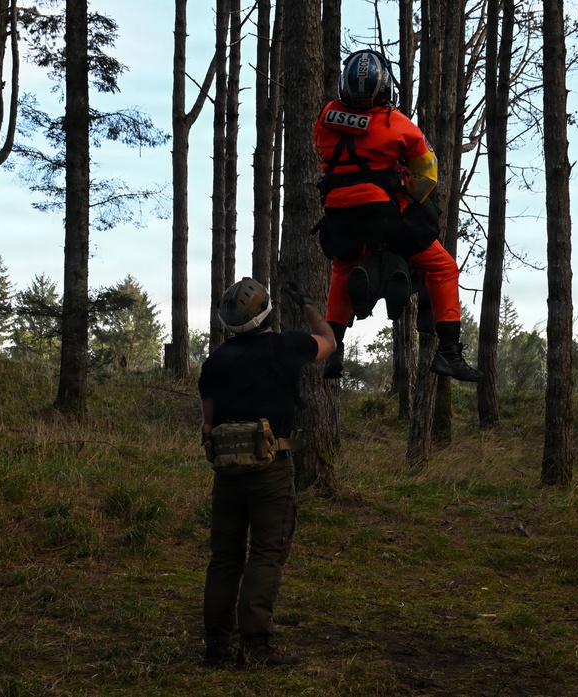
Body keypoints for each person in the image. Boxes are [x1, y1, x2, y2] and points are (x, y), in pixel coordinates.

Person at [313, 48, 481, 383]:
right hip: (380, 214)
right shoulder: (398, 125)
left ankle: (333, 350)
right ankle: (448, 351)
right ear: (385, 87)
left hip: (337, 216)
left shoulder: (325, 117)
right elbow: (427, 175)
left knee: (342, 270)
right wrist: (405, 190)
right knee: (443, 267)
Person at [198, 277, 335, 667]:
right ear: (267, 313)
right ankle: (256, 645)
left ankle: (216, 647)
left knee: (224, 558)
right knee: (266, 553)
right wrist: (309, 307)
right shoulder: (285, 347)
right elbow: (328, 342)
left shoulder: (213, 362)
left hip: (226, 473)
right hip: (271, 471)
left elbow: (209, 423)